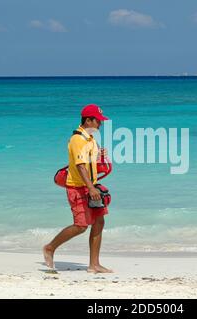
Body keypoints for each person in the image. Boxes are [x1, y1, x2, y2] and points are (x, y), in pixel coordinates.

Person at [43, 104, 112, 274]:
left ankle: (94, 264)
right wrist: (91, 188)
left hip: (91, 187)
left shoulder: (90, 139)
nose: (100, 124)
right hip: (78, 188)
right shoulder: (77, 139)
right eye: (98, 121)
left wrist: (99, 156)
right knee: (81, 226)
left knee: (99, 222)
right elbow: (80, 166)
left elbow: (89, 163)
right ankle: (50, 248)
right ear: (88, 120)